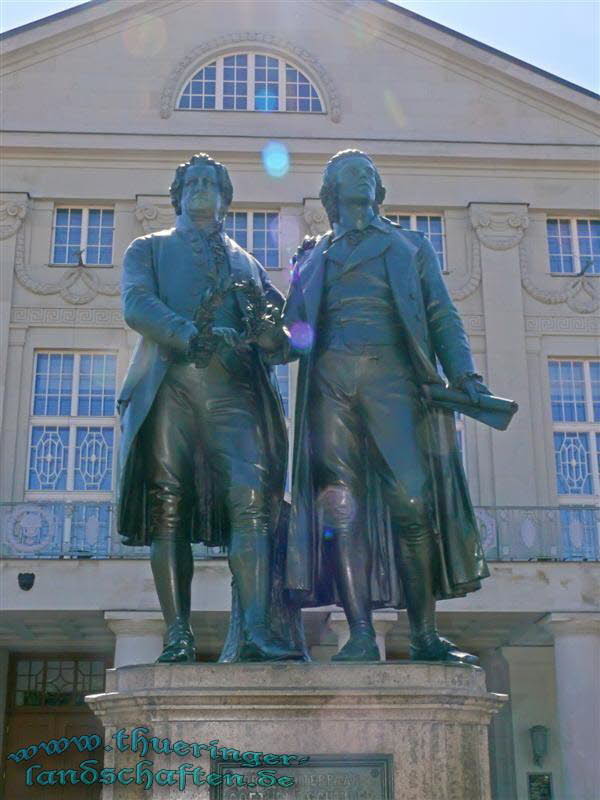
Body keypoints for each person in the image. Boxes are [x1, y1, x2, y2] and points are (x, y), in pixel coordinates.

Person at [274, 150, 491, 664]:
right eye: (351, 172)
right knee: (343, 512)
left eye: (369, 173)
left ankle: (423, 634)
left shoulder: (409, 246)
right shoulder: (314, 256)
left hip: (394, 382)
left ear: (379, 191)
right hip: (330, 387)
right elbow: (291, 333)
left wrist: (464, 373)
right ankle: (362, 634)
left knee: (413, 505)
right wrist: (264, 320)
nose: (362, 177)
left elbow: (442, 316)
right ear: (332, 192)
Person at [117, 153, 302, 663]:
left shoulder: (248, 263)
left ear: (225, 199)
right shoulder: (148, 248)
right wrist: (190, 334)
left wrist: (273, 338)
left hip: (235, 393)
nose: (201, 189)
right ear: (177, 196)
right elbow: (136, 304)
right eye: (191, 182)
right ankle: (178, 634)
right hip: (170, 386)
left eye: (211, 183)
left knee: (252, 504)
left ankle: (257, 632)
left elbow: (286, 339)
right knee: (168, 509)